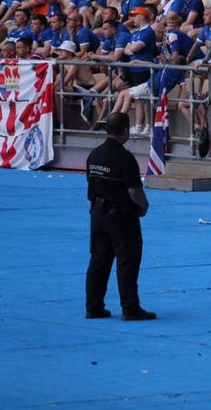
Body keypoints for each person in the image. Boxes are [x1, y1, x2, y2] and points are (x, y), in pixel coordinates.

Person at [85, 112, 156, 322]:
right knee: (127, 260)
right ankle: (130, 307)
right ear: (125, 130)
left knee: (99, 261)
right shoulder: (124, 158)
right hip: (121, 215)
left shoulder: (94, 155)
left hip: (97, 213)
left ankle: (93, 306)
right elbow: (135, 191)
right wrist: (143, 207)